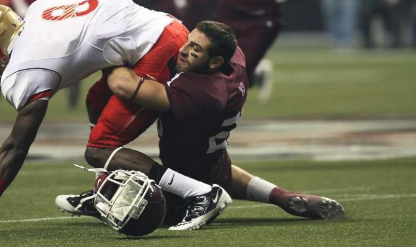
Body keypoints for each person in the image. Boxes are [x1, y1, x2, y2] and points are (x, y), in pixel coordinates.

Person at [57, 20, 345, 229]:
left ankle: (112, 201)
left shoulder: (200, 93)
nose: (183, 50)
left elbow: (122, 84)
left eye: (194, 48)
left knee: (106, 168)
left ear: (214, 61)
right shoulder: (234, 62)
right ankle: (283, 197)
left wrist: (108, 50)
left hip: (181, 186)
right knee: (218, 171)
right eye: (188, 40)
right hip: (214, 163)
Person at [0, 0, 232, 231]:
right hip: (158, 28)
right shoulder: (40, 7)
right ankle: (104, 194)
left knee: (98, 150)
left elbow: (15, 148)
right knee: (95, 102)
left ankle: (202, 193)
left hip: (158, 47)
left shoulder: (25, 70)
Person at [216, 0, 286, 103]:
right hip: (230, 12)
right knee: (214, 62)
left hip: (261, 16)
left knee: (239, 71)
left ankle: (254, 73)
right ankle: (257, 73)